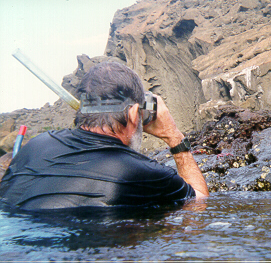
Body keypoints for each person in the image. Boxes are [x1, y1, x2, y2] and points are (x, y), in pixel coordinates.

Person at [0, 62, 209, 211]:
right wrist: (174, 137)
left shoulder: (34, 147)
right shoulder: (143, 172)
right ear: (135, 113)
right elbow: (199, 204)